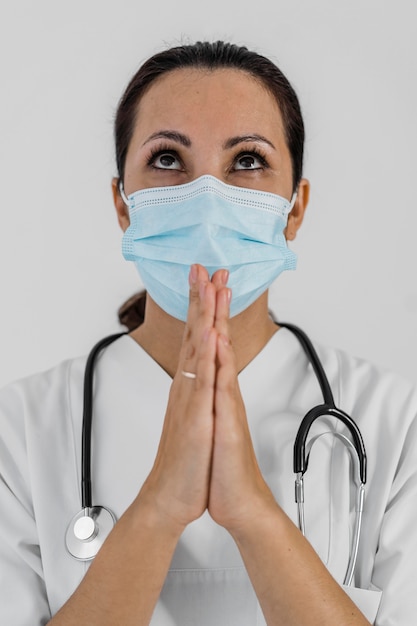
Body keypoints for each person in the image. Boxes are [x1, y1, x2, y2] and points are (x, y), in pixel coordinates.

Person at [0, 40, 416, 626]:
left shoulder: (395, 424)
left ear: (294, 210)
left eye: (247, 160)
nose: (208, 201)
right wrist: (161, 506)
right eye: (168, 159)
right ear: (123, 204)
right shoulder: (18, 431)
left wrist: (252, 511)